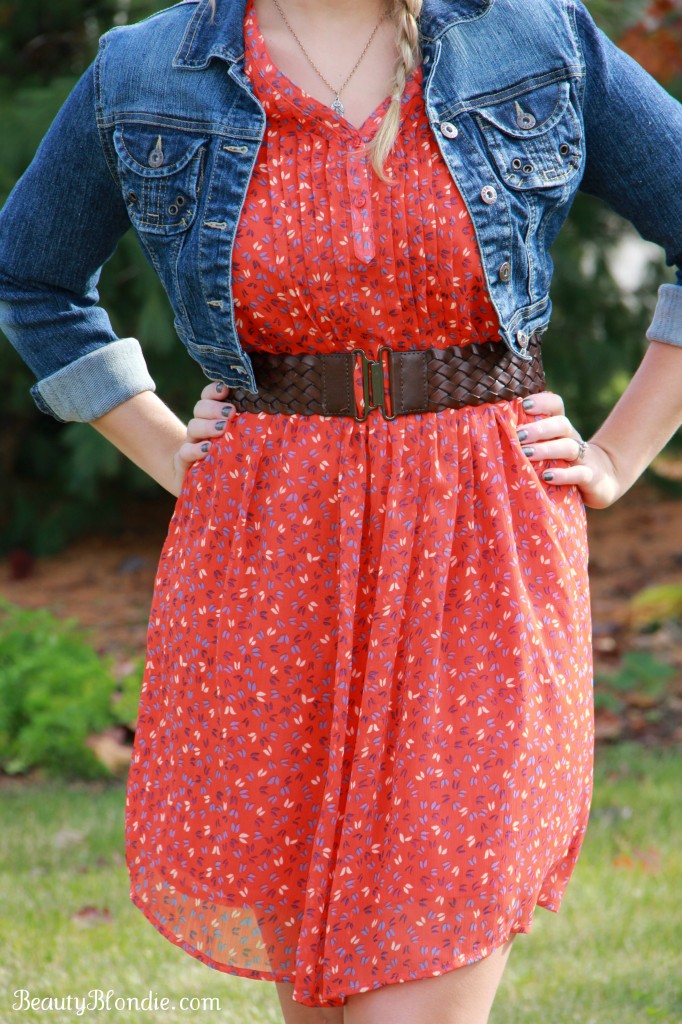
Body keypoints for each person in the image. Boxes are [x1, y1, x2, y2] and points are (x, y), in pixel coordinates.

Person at [1, 0, 681, 1021]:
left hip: (479, 545)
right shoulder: (150, 71)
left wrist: (620, 451)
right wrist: (168, 452)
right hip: (269, 552)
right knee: (322, 996)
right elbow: (32, 276)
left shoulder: (533, 37)